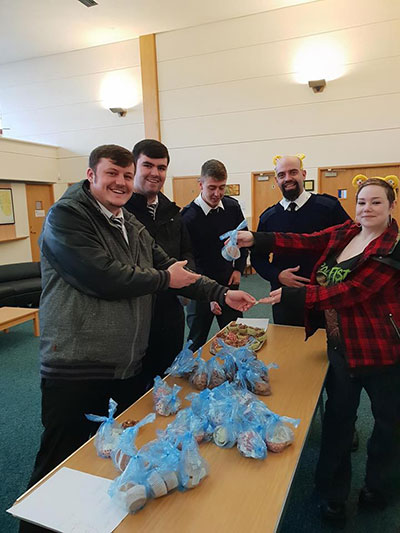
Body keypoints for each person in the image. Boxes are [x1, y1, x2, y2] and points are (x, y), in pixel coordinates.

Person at [22, 145, 255, 530]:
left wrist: (219, 293)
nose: (121, 182)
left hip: (126, 364)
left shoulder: (129, 224)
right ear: (91, 174)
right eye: (112, 173)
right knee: (58, 467)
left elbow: (168, 263)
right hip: (76, 366)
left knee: (113, 459)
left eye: (127, 175)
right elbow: (102, 276)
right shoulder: (66, 216)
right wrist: (167, 279)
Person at [236, 175, 400, 525]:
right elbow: (308, 240)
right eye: (362, 202)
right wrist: (258, 237)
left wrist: (298, 295)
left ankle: (378, 488)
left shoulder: (393, 247)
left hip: (381, 351)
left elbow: (351, 292)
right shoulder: (347, 232)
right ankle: (331, 495)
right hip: (341, 347)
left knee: (388, 426)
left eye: (376, 202)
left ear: (391, 206)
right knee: (338, 425)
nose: (367, 209)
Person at [124, 139, 194, 382]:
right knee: (135, 387)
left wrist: (187, 283)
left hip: (169, 312)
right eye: (148, 165)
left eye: (161, 168)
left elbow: (187, 252)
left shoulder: (173, 212)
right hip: (133, 316)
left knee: (169, 379)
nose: (155, 173)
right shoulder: (121, 212)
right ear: (133, 166)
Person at [251, 154, 350, 326]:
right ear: (276, 180)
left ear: (303, 174)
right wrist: (277, 275)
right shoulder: (268, 217)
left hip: (324, 294)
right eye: (282, 175)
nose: (287, 178)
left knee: (324, 346)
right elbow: (257, 258)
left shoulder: (329, 207)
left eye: (293, 172)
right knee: (286, 343)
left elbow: (350, 242)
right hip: (284, 296)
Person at [181, 159, 248, 351]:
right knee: (196, 340)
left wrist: (239, 269)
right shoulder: (187, 217)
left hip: (229, 281)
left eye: (222, 187)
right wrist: (210, 295)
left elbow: (243, 238)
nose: (217, 193)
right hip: (200, 289)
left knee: (235, 336)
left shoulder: (232, 207)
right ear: (200, 184)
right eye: (211, 187)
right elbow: (189, 260)